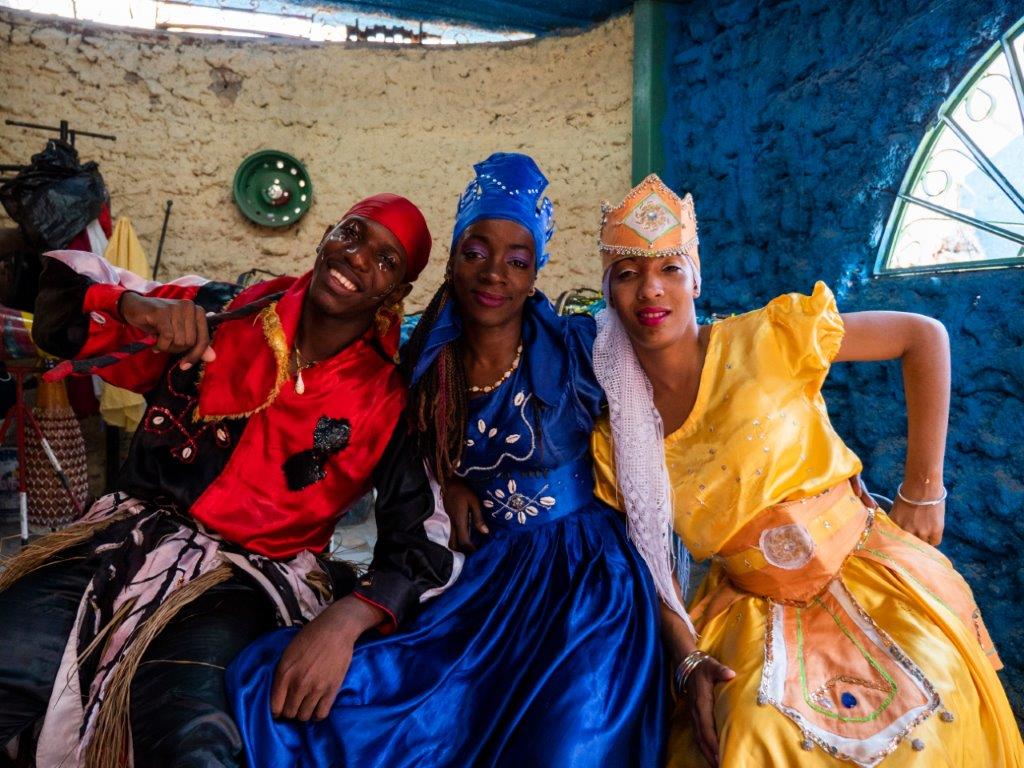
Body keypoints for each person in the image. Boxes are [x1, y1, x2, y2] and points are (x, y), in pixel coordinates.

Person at [228, 153, 666, 768]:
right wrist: (453, 474)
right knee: (305, 690)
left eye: (517, 261)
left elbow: (684, 369)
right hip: (486, 584)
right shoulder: (425, 368)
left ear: (536, 271)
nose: (494, 275)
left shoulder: (582, 348)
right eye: (475, 252)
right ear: (454, 258)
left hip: (587, 592)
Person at [0, 194, 455, 768]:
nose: (359, 258)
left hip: (246, 581)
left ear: (397, 293)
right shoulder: (222, 310)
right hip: (121, 541)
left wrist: (349, 617)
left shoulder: (389, 398)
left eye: (387, 261)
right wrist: (133, 304)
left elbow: (421, 542)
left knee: (196, 738)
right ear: (327, 236)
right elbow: (60, 310)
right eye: (353, 233)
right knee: (11, 656)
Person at [589, 174, 1024, 767]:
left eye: (668, 267)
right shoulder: (617, 436)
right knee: (748, 737)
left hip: (865, 574)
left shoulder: (767, 337)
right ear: (609, 294)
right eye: (628, 274)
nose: (650, 291)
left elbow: (924, 337)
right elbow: (650, 566)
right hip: (749, 605)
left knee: (933, 708)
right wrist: (688, 659)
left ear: (696, 275)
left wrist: (923, 491)